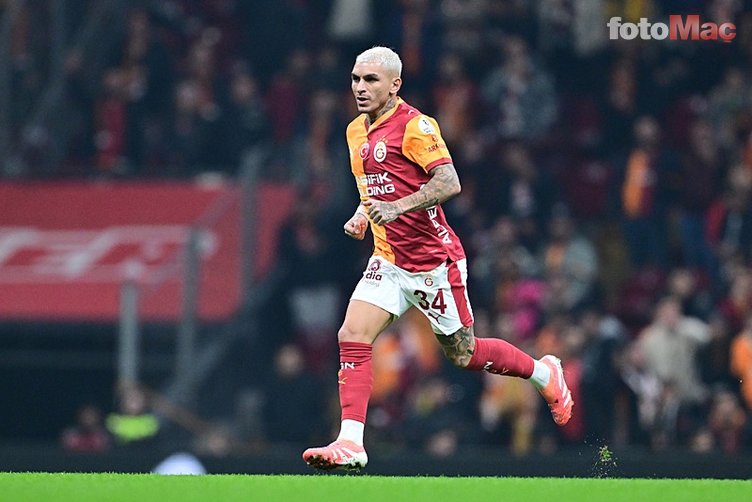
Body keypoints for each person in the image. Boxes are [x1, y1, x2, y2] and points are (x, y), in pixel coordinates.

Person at [302, 47, 573, 471]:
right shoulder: (356, 131)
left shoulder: (417, 126)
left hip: (433, 262)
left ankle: (543, 373)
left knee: (463, 354)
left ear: (395, 85)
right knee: (352, 333)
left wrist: (396, 208)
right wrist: (362, 215)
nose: (359, 87)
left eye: (371, 80)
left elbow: (449, 182)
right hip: (389, 259)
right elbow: (373, 188)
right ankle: (351, 442)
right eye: (355, 79)